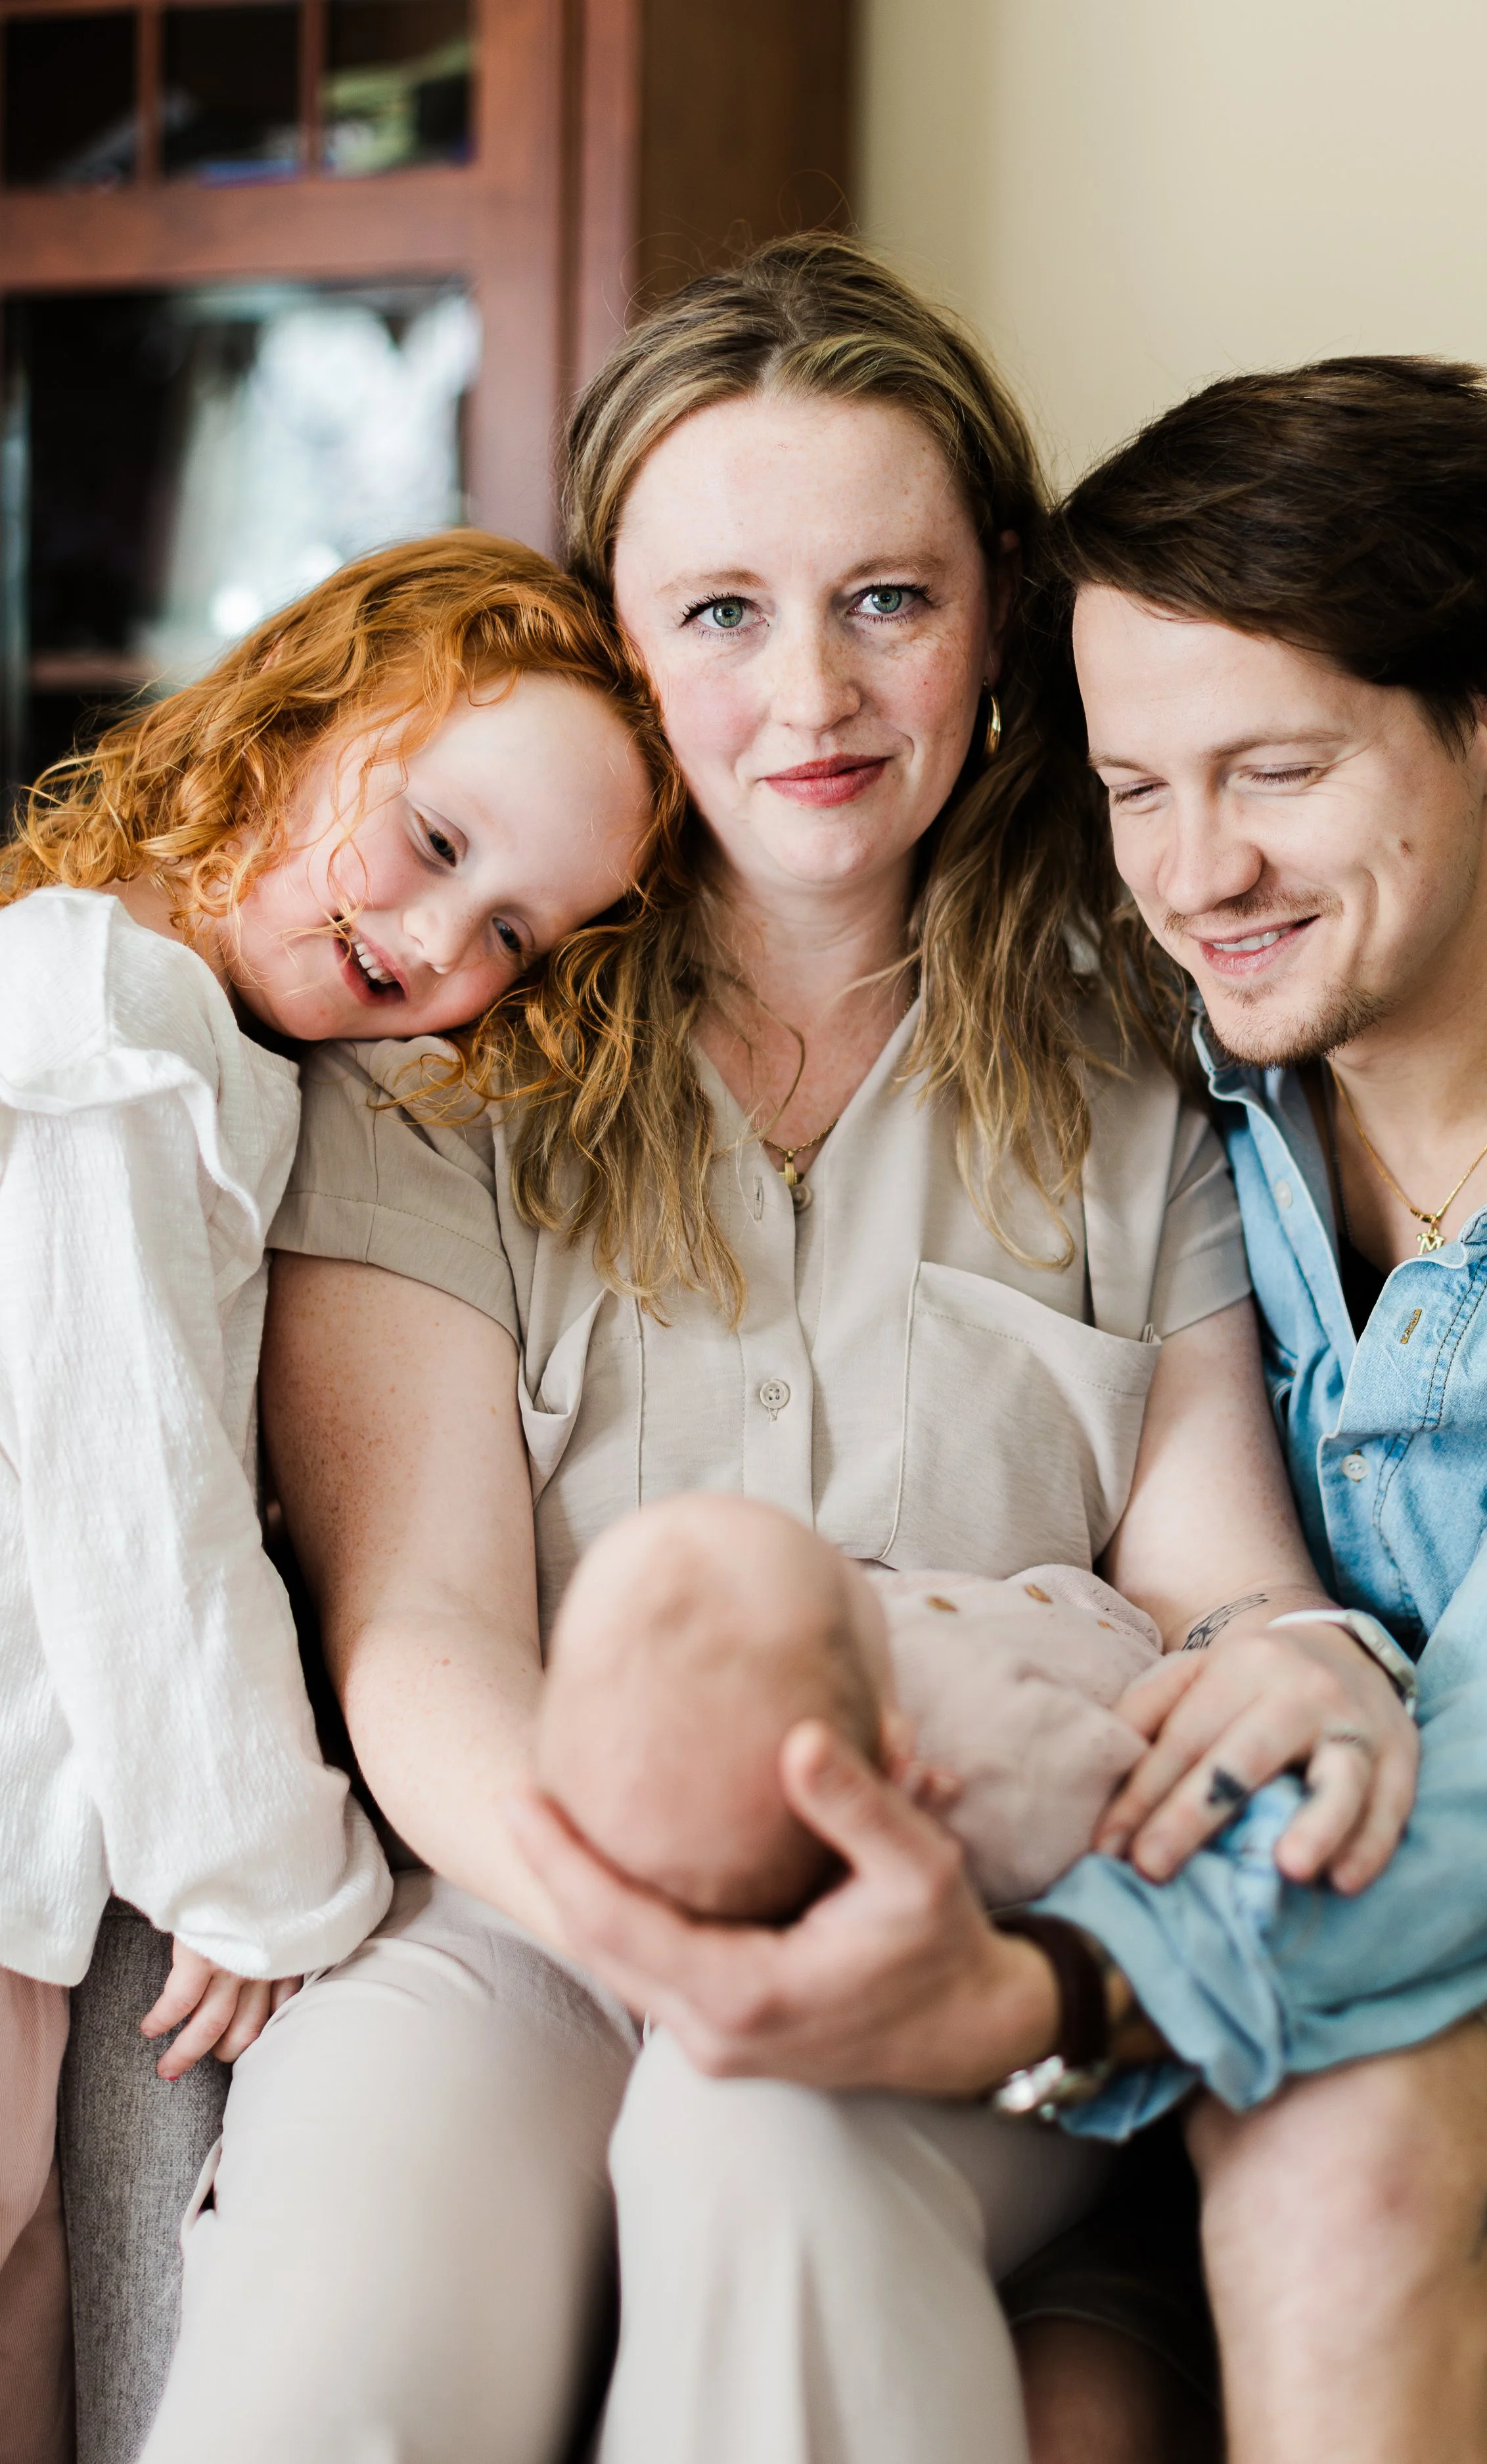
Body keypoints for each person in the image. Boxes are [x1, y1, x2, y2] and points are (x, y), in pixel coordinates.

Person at [143, 237, 1419, 2464]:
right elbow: (425, 1632)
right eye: (721, 610)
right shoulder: (452, 1061)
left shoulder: (1149, 1048)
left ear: (999, 609)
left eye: (887, 601)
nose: (808, 695)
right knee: (342, 2323)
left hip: (979, 1879)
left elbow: (1214, 1549)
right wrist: (637, 1914)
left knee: (775, 2143)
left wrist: (1303, 1655)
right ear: (624, 641)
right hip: (530, 1889)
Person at [516, 352, 1487, 2464]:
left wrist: (1054, 1989)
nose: (1196, 870)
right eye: (1136, 787)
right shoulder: (1178, 1052)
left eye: (1274, 772)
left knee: (1336, 2154)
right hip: (1231, 1882)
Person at [3, 528, 668, 2464]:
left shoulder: (203, 1050)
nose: (448, 955)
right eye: (440, 843)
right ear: (305, 705)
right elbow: (141, 1521)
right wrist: (275, 1876)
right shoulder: (113, 1043)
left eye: (517, 937)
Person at [537, 1494, 1161, 1921]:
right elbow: (1148, 1768)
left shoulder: (819, 1674)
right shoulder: (1012, 1758)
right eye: (844, 1583)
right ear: (894, 1751)